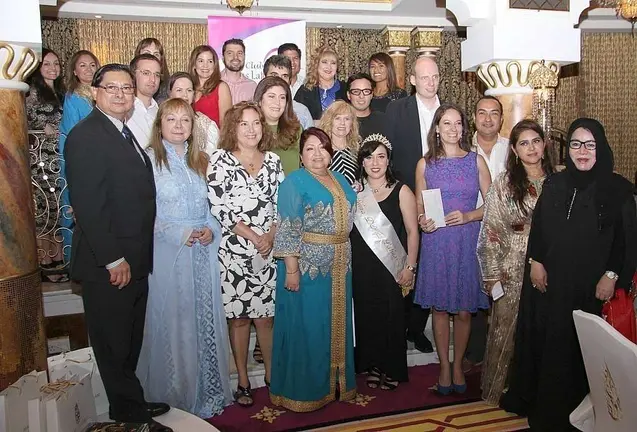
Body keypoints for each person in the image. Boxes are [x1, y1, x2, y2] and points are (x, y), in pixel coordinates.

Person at [502, 118, 637, 431]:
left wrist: (612, 275)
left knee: (583, 350)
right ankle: (551, 410)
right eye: (576, 144)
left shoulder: (618, 189)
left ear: (600, 147)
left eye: (589, 144)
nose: (582, 150)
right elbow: (541, 229)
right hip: (554, 285)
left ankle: (586, 414)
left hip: (592, 287)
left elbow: (626, 241)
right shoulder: (555, 183)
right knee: (554, 344)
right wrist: (535, 261)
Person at [64, 64, 171, 431]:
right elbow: (90, 206)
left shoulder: (124, 133)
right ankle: (128, 412)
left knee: (128, 339)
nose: (122, 94)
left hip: (135, 259)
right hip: (109, 264)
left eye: (127, 88)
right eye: (112, 88)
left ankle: (130, 401)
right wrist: (113, 259)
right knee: (113, 341)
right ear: (95, 91)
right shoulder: (86, 135)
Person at [136, 98, 231, 418]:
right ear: (159, 124)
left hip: (202, 255)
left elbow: (212, 208)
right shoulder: (148, 161)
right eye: (171, 119)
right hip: (168, 254)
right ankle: (175, 393)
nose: (178, 126)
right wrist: (179, 234)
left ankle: (206, 390)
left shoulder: (200, 161)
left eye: (185, 120)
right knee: (174, 322)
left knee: (200, 320)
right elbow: (144, 214)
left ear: (193, 127)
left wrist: (210, 229)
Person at [270, 127, 358, 412]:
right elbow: (288, 229)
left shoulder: (341, 180)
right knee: (307, 328)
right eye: (310, 148)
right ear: (301, 155)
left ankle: (333, 386)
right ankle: (303, 392)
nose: (317, 154)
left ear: (331, 152)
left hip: (339, 266)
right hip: (307, 269)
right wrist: (292, 270)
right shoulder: (294, 182)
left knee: (332, 327)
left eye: (322, 147)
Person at [207, 102, 284, 408]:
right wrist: (253, 236)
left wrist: (269, 236)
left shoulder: (275, 162)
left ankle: (270, 375)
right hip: (235, 252)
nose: (252, 130)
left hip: (267, 252)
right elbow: (220, 207)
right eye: (244, 124)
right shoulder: (219, 161)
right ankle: (242, 379)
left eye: (256, 123)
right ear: (232, 129)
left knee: (266, 319)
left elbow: (282, 206)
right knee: (239, 320)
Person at [415, 103, 491, 395]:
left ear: (463, 127)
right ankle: (444, 365)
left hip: (467, 240)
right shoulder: (425, 164)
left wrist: (469, 216)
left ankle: (458, 363)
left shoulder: (476, 161)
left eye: (457, 123)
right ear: (436, 128)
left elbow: (492, 205)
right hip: (437, 243)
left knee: (462, 311)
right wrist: (423, 220)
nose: (452, 129)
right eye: (446, 123)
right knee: (439, 309)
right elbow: (420, 207)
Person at [476, 120, 554, 406]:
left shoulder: (559, 180)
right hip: (512, 263)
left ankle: (541, 391)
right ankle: (500, 388)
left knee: (546, 328)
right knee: (506, 327)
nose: (531, 148)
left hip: (553, 264)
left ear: (545, 144)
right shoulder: (504, 183)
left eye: (536, 141)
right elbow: (490, 232)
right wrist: (493, 276)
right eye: (524, 143)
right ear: (514, 149)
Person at [352, 135, 419, 391]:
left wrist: (410, 267)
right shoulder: (356, 192)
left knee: (391, 317)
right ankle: (373, 365)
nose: (375, 162)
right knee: (368, 317)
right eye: (369, 157)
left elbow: (413, 232)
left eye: (381, 156)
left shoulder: (402, 190)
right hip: (362, 267)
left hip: (392, 268)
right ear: (362, 162)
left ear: (388, 160)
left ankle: (392, 367)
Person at [385, 55, 441, 354]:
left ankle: (417, 328)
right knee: (405, 259)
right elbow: (387, 150)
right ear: (413, 80)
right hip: (405, 194)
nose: (430, 82)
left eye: (435, 77)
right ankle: (399, 323)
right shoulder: (398, 109)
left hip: (441, 198)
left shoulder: (449, 111)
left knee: (430, 263)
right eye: (425, 77)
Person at [463, 95, 510, 373]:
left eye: (494, 113)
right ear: (474, 117)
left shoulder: (511, 150)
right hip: (471, 229)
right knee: (476, 294)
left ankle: (504, 355)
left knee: (504, 293)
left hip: (506, 234)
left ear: (501, 119)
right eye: (482, 113)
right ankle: (476, 353)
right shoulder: (463, 151)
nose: (488, 119)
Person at [26, 48, 66, 278]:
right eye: (47, 64)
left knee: (58, 207)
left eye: (56, 63)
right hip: (40, 160)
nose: (52, 68)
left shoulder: (61, 92)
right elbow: (20, 120)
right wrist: (42, 130)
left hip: (58, 158)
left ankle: (59, 258)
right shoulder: (32, 93)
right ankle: (45, 261)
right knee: (43, 208)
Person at [58, 49, 100, 264]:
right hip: (80, 159)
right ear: (74, 70)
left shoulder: (101, 94)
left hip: (100, 160)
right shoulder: (73, 97)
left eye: (92, 65)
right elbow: (72, 132)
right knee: (75, 207)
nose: (88, 69)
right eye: (83, 65)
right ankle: (72, 261)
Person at [254, 76, 302, 175]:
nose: (277, 102)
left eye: (282, 97)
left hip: (291, 188)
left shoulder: (297, 129)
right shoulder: (251, 131)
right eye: (271, 96)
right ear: (259, 101)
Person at [167, 71, 219, 158]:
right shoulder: (162, 120)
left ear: (194, 94)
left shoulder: (206, 125)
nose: (185, 95)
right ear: (170, 93)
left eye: (189, 90)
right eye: (179, 90)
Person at [294, 46, 346, 121]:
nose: (329, 67)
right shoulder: (305, 91)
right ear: (316, 64)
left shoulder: (345, 88)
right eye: (324, 62)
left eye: (333, 63)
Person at [263, 55, 313, 130]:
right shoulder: (254, 110)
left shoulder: (302, 112)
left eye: (284, 76)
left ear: (290, 81)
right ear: (264, 77)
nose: (279, 80)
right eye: (274, 75)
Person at [318, 100, 360, 185]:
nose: (342, 123)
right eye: (337, 118)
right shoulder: (320, 151)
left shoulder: (357, 149)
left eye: (347, 119)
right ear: (329, 121)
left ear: (352, 123)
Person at [189, 45, 232, 127]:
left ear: (215, 65)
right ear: (194, 64)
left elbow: (226, 124)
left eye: (210, 61)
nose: (205, 66)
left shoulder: (221, 87)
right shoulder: (188, 87)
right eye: (201, 61)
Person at [127, 54, 161, 149]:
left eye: (157, 75)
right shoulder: (124, 110)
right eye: (146, 73)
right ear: (133, 75)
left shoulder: (161, 112)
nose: (153, 79)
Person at [346, 72, 387, 141]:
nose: (361, 96)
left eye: (366, 91)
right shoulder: (341, 122)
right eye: (356, 91)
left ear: (371, 94)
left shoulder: (384, 121)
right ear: (348, 95)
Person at [220, 38, 257, 104]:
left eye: (239, 53)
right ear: (223, 58)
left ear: (244, 56)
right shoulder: (213, 83)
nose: (235, 57)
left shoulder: (252, 86)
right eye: (230, 53)